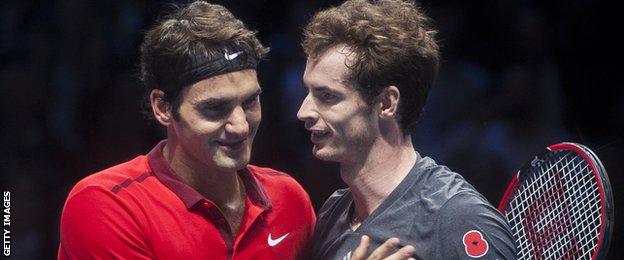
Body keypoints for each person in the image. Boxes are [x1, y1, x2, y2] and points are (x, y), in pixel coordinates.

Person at [57, 2, 316, 259]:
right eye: (215, 108)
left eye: (249, 102)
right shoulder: (107, 205)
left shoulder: (290, 198)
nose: (241, 126)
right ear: (163, 108)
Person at [297, 0, 518, 259]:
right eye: (308, 91)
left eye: (327, 96)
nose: (303, 112)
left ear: (387, 103)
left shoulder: (458, 218)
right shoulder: (332, 213)